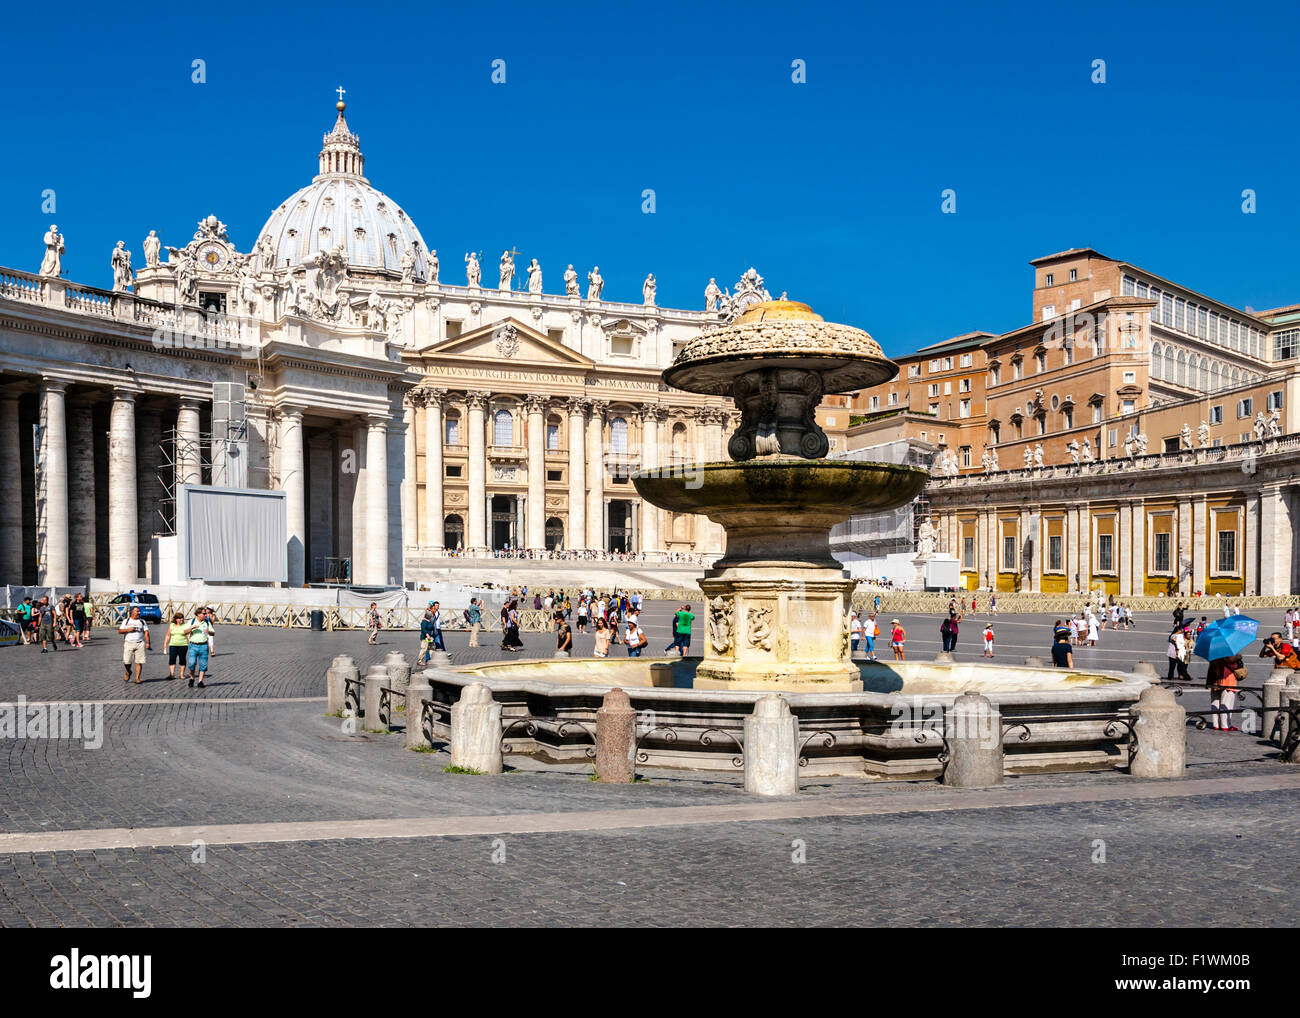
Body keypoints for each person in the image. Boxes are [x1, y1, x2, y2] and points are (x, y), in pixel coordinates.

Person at [1206, 654, 1245, 732]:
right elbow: (1232, 660)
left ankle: (1216, 724)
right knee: (1226, 704)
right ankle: (1225, 725)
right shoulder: (1230, 654)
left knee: (1215, 703)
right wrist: (1239, 656)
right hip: (1228, 681)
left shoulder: (1214, 654)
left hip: (1214, 680)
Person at [119, 605, 151, 683]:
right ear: (132, 612)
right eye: (137, 611)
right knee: (126, 662)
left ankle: (137, 678)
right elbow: (119, 631)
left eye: (139, 611)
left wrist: (148, 642)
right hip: (128, 643)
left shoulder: (142, 621)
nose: (139, 613)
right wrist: (128, 629)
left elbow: (146, 632)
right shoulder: (126, 621)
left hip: (140, 643)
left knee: (139, 661)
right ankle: (129, 671)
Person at [165, 612, 189, 680]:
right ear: (176, 619)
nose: (182, 619)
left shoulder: (185, 625)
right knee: (172, 659)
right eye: (180, 618)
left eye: (182, 618)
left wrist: (191, 642)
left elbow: (188, 635)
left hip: (183, 645)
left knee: (182, 659)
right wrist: (165, 644)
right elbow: (168, 635)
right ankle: (172, 674)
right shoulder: (172, 625)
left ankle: (182, 674)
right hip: (173, 645)